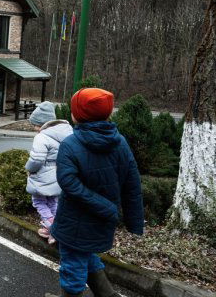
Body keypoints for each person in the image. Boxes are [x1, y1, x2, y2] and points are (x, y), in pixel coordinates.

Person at [46, 88, 144, 297]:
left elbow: (68, 182)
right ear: (108, 113)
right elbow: (132, 185)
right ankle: (107, 294)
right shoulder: (121, 143)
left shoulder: (70, 144)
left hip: (74, 221)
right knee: (86, 254)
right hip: (103, 221)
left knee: (72, 266)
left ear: (76, 115)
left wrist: (104, 206)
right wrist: (133, 222)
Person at [24, 101, 73, 244]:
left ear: (41, 123)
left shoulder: (42, 137)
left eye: (35, 125)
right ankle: (50, 228)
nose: (34, 128)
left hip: (42, 175)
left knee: (38, 201)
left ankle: (53, 229)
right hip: (60, 174)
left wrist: (29, 168)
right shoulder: (67, 132)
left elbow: (37, 159)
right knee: (53, 201)